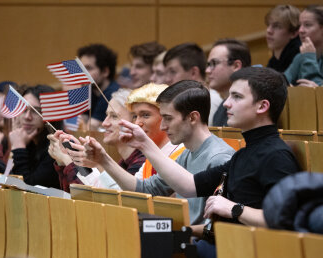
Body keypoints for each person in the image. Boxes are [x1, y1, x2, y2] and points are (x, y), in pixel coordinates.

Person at [118, 67, 300, 258]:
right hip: (218, 245)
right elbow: (190, 186)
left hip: (243, 254)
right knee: (137, 236)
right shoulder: (245, 153)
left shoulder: (276, 155)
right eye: (229, 96)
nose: (227, 104)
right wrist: (142, 145)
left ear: (262, 106)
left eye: (237, 97)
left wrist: (235, 209)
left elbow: (286, 220)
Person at [75, 81, 234, 225]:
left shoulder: (219, 158)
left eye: (168, 118)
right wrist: (103, 160)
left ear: (192, 117)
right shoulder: (187, 153)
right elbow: (145, 190)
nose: (163, 127)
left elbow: (215, 229)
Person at [49, 88, 145, 192]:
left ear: (136, 121)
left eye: (114, 116)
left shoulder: (141, 163)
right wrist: (73, 155)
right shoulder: (123, 162)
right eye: (106, 115)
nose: (104, 123)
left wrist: (68, 161)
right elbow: (76, 192)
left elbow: (90, 199)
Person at [9, 85, 62, 189]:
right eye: (23, 110)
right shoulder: (27, 141)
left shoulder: (58, 147)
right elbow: (8, 181)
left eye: (36, 111)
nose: (27, 117)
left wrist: (19, 148)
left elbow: (28, 189)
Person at [163, 42, 222, 125]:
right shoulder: (184, 101)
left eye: (173, 72)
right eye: (166, 73)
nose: (167, 79)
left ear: (193, 72)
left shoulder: (211, 101)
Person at [207, 39, 251, 126]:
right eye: (208, 65)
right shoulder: (220, 109)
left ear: (236, 66)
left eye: (214, 63)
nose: (207, 70)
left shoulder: (248, 107)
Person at [78, 44, 120, 130]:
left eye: (88, 68)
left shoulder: (113, 93)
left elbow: (92, 126)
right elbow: (80, 123)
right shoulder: (89, 90)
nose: (82, 73)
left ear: (105, 71)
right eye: (81, 69)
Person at [284, 5, 323, 87]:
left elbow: (314, 92)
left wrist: (309, 58)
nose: (301, 30)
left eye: (307, 25)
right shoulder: (300, 56)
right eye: (300, 25)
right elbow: (284, 82)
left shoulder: (306, 55)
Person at [265, 5, 301, 72]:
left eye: (277, 26)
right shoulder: (274, 60)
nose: (269, 30)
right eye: (268, 25)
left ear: (294, 33)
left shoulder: (299, 58)